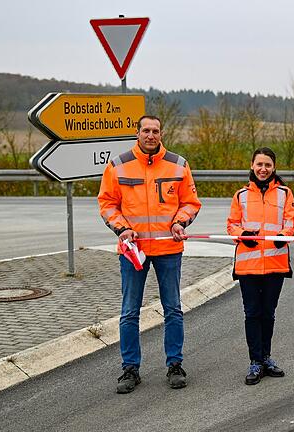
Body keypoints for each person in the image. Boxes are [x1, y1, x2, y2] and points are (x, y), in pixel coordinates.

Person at [98, 115, 201, 394]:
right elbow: (107, 203)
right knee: (129, 312)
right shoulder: (118, 165)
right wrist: (121, 228)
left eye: (155, 131)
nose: (151, 135)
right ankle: (130, 368)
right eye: (146, 130)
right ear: (137, 133)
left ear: (161, 133)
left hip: (169, 250)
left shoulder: (178, 165)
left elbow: (191, 202)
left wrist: (180, 221)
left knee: (173, 309)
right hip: (134, 252)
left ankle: (175, 365)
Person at [227, 147, 294, 385]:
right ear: (252, 166)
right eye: (259, 164)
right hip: (248, 266)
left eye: (268, 165)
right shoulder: (241, 195)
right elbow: (232, 225)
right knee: (252, 313)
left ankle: (266, 357)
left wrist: (283, 235)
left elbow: (292, 224)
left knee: (268, 313)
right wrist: (242, 234)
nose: (263, 169)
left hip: (275, 265)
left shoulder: (285, 193)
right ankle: (255, 361)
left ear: (274, 168)